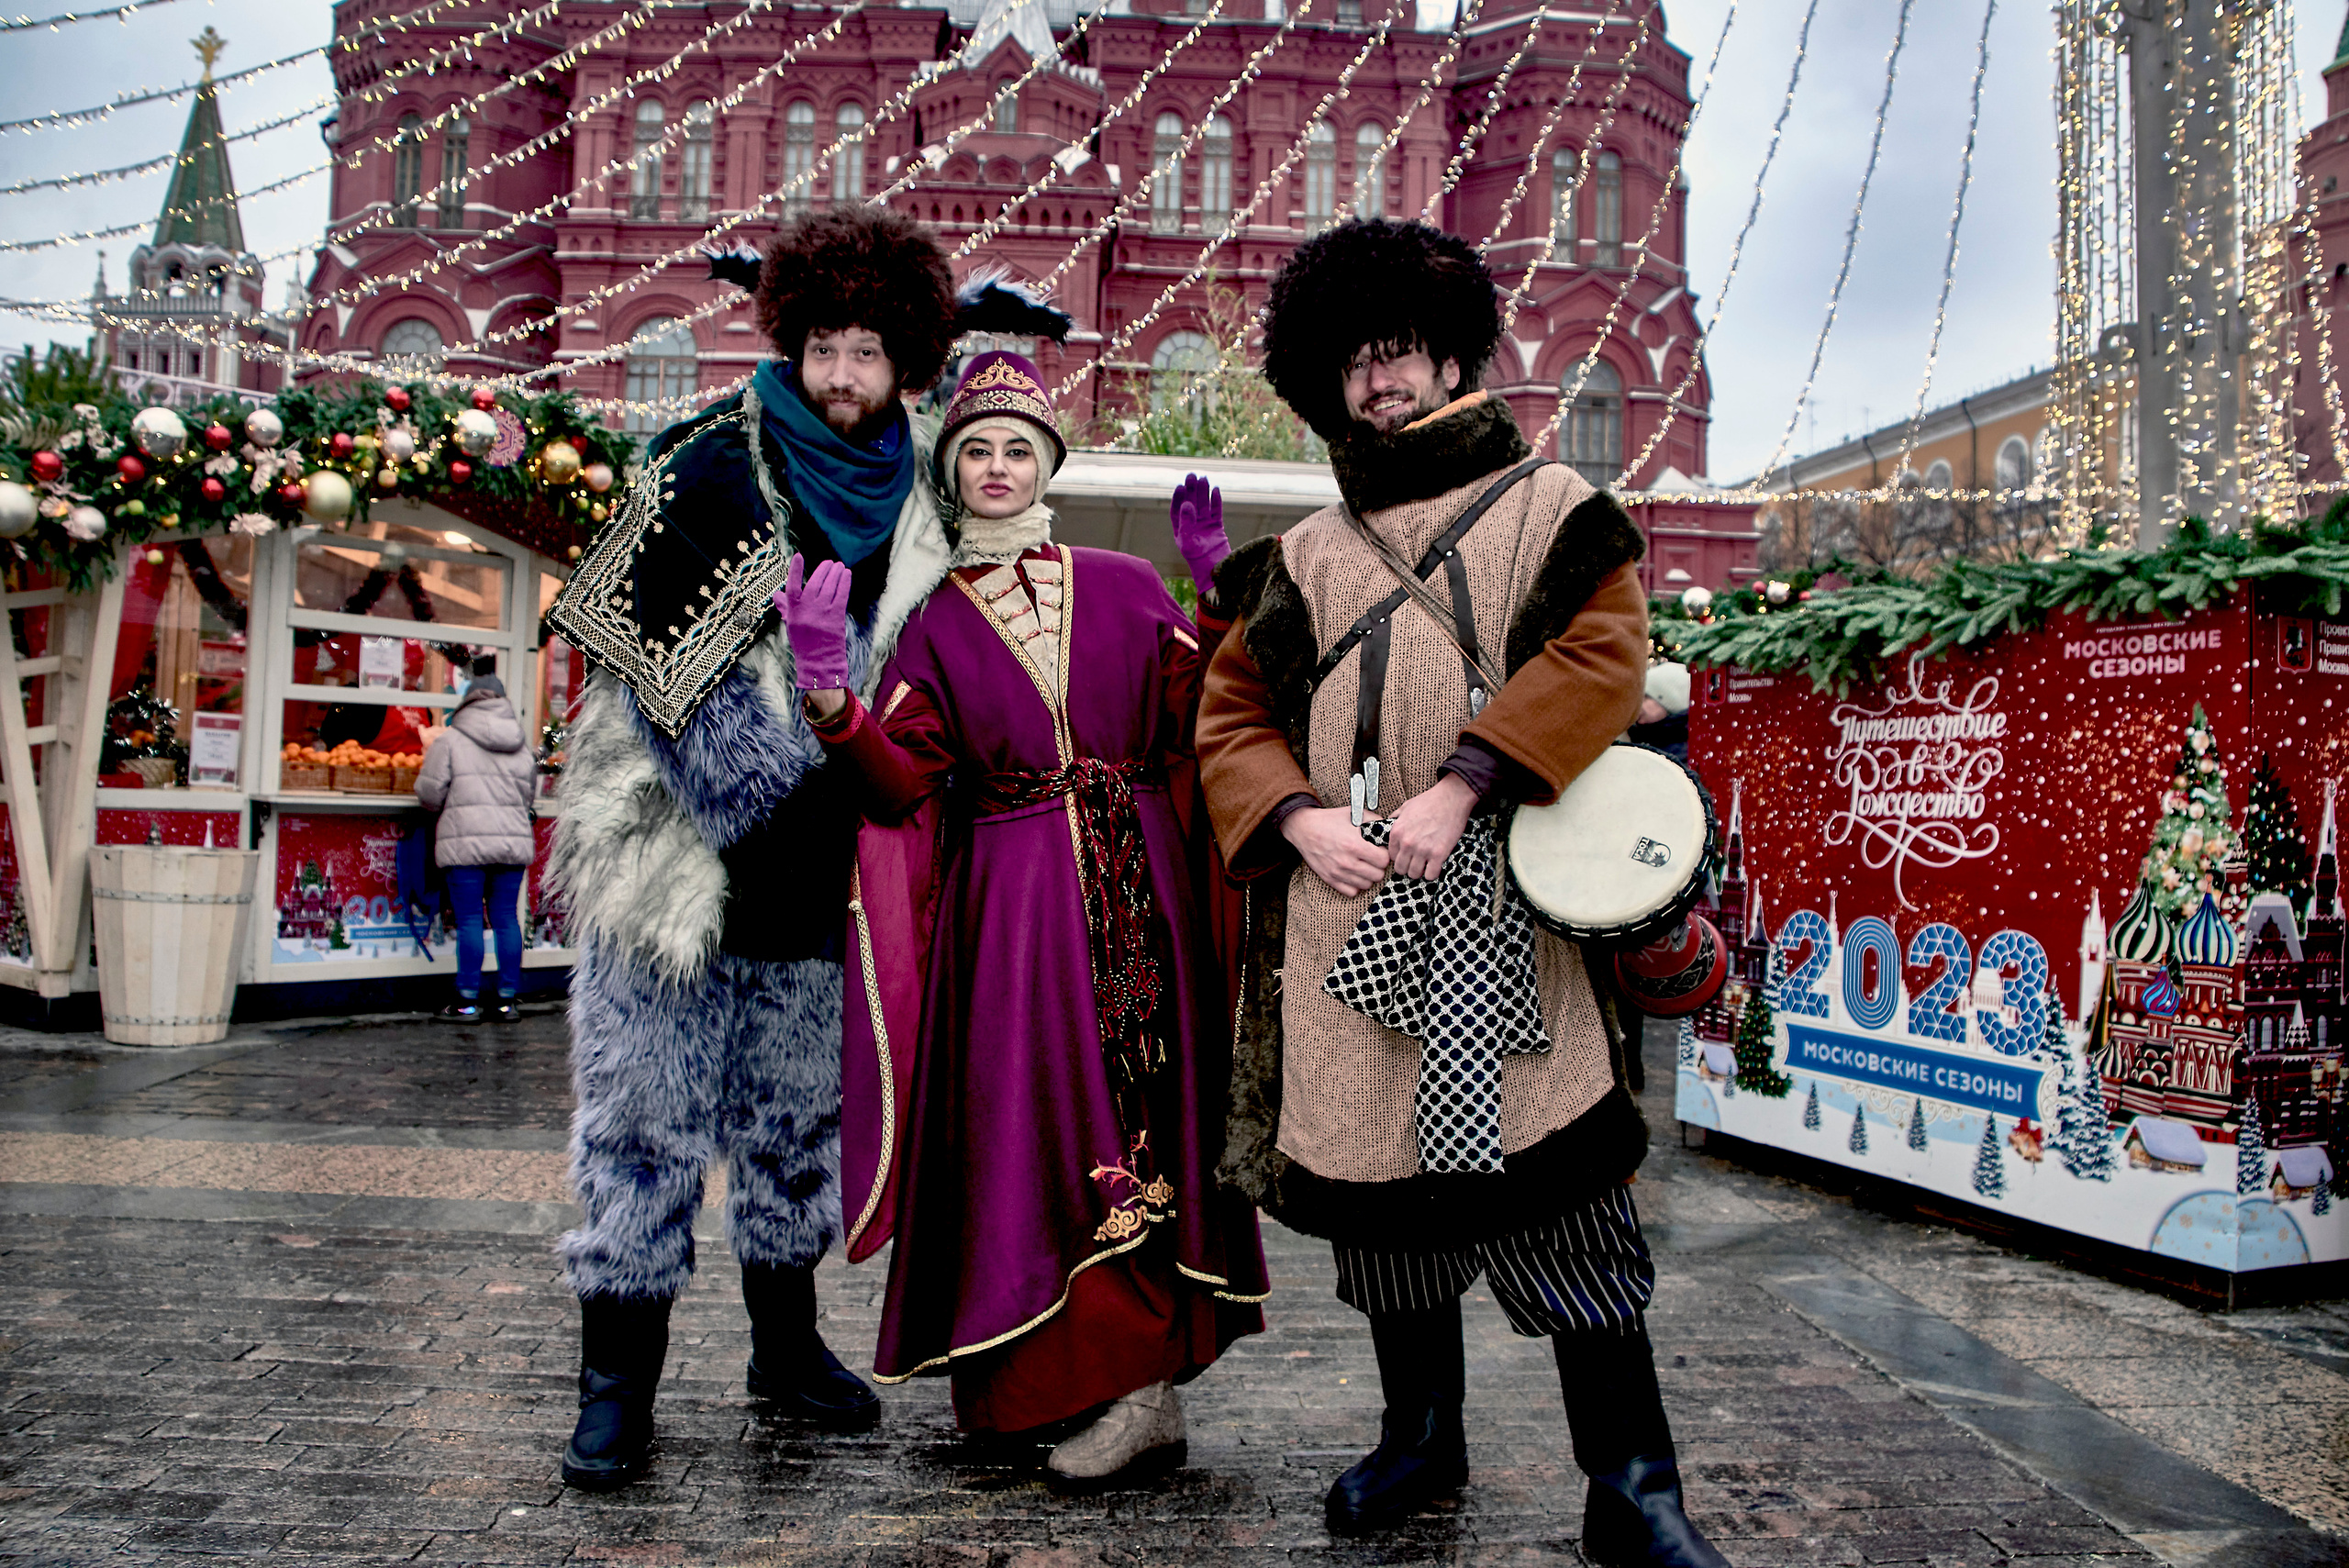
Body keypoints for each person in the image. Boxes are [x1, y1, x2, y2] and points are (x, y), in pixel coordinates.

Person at [1196, 219, 1731, 1568]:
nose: (1377, 382)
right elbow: (1232, 715)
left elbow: (1602, 656)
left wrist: (1465, 782)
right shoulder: (1301, 556)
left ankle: (1633, 1488)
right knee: (1385, 1202)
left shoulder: (1553, 511)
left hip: (1508, 905)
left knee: (1564, 1198)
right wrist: (1301, 817)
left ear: (1449, 356)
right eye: (1353, 364)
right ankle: (1420, 1434)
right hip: (1350, 908)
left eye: (1398, 355)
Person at [540, 209, 1008, 1491]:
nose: (843, 374)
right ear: (792, 341)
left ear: (904, 359)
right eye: (825, 347)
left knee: (796, 1123)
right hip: (682, 857)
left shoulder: (927, 488)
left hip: (835, 864)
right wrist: (772, 789)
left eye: (868, 351)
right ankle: (614, 1384)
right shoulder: (705, 459)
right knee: (643, 1122)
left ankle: (785, 1347)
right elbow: (653, 663)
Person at [789, 351, 1268, 1486]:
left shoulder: (1125, 583)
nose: (998, 467)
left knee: (1145, 1116)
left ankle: (1142, 1386)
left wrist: (1218, 601)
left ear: (1046, 465)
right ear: (952, 473)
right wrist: (831, 699)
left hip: (1141, 892)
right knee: (1030, 1127)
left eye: (1018, 448)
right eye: (977, 451)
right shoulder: (931, 623)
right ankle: (1055, 1381)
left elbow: (1203, 718)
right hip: (1011, 915)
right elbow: (900, 784)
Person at [413, 669, 536, 1023]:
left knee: (469, 920)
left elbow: (429, 794)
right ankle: (507, 1001)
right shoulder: (521, 746)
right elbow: (529, 796)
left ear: (467, 702)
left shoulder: (450, 740)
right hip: (511, 844)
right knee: (506, 919)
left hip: (465, 844)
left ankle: (466, 1002)